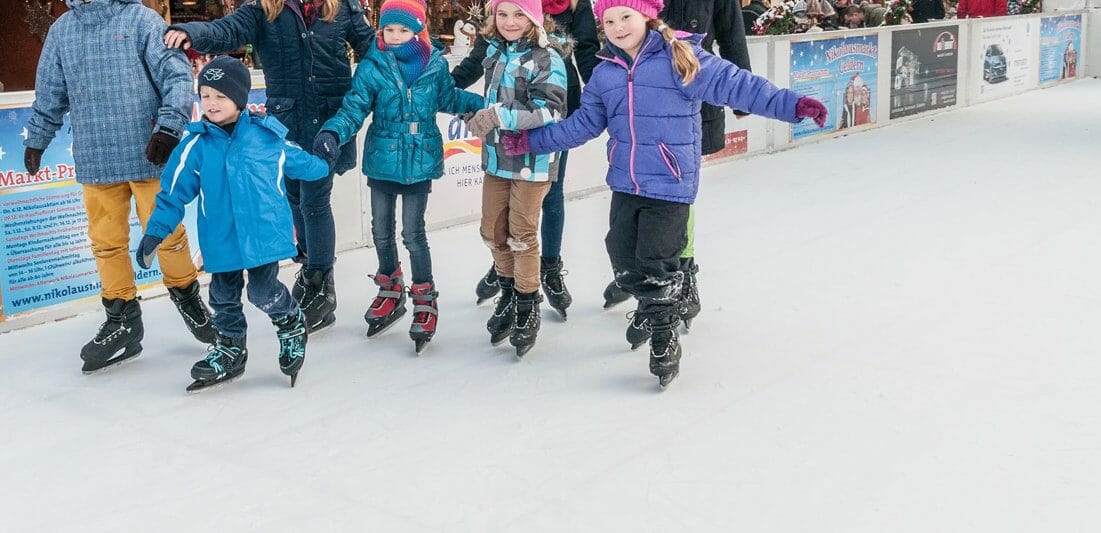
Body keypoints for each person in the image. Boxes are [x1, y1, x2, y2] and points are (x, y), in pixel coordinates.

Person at [501, 0, 827, 386]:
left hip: (670, 185)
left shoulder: (681, 57)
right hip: (626, 181)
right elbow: (584, 124)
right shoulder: (606, 74)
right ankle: (656, 304)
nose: (619, 26)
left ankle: (663, 334)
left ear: (647, 16)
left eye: (626, 16)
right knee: (623, 259)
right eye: (609, 20)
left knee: (655, 263)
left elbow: (739, 85)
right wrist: (531, 142)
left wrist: (792, 105)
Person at [23, 0, 216, 374]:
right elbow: (50, 92)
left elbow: (176, 76)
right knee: (106, 241)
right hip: (97, 159)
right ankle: (122, 316)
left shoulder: (142, 20)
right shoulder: (63, 29)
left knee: (166, 234)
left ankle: (188, 297)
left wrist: (168, 126)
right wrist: (38, 138)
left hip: (149, 153)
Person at [164, 0, 376, 333]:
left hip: (328, 123)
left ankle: (321, 283)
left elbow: (371, 48)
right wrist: (191, 31)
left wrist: (398, 61)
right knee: (293, 198)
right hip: (287, 120)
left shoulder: (341, 6)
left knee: (315, 201)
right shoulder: (264, 9)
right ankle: (309, 267)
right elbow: (226, 30)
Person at [137, 57, 331, 392]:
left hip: (263, 235)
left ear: (239, 99)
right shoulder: (194, 147)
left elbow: (303, 164)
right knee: (223, 298)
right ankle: (230, 349)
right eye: (206, 95)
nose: (211, 103)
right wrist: (156, 231)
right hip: (222, 239)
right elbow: (171, 194)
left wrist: (325, 161)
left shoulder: (267, 137)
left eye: (220, 97)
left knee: (262, 291)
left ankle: (290, 322)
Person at [312, 0, 484, 353]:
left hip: (420, 158)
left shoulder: (434, 65)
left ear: (418, 31)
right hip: (383, 158)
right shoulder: (372, 65)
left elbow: (448, 97)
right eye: (388, 29)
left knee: (413, 233)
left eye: (403, 30)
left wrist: (483, 106)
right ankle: (390, 289)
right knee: (381, 230)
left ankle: (425, 298)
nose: (394, 36)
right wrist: (332, 132)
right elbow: (354, 107)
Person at [602, 0, 757, 333]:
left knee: (676, 192)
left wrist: (741, 97)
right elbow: (614, 30)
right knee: (637, 193)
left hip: (692, 98)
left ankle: (681, 274)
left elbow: (731, 35)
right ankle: (644, 275)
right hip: (640, 100)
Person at [453, 0, 601, 320]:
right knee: (503, 211)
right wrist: (442, 88)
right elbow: (480, 56)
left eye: (518, 14)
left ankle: (548, 268)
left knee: (548, 194)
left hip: (553, 106)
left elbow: (587, 48)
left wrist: (604, 91)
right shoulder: (502, 18)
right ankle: (507, 271)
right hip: (509, 112)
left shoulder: (572, 6)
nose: (511, 19)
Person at [463, 0, 568, 357]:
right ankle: (507, 292)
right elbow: (485, 98)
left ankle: (527, 303)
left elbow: (550, 110)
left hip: (532, 161)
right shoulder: (495, 51)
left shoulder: (547, 57)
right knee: (492, 229)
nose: (509, 21)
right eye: (503, 14)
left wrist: (496, 115)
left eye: (519, 14)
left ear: (534, 18)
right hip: (496, 157)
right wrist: (473, 113)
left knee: (521, 234)